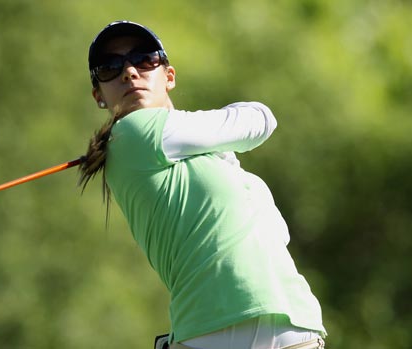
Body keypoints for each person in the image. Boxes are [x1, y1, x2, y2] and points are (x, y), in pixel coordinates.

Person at [78, 20, 327, 349]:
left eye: (144, 59)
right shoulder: (132, 131)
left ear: (169, 76)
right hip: (212, 334)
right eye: (110, 67)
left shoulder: (218, 165)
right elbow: (259, 119)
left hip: (294, 325)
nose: (129, 72)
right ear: (99, 96)